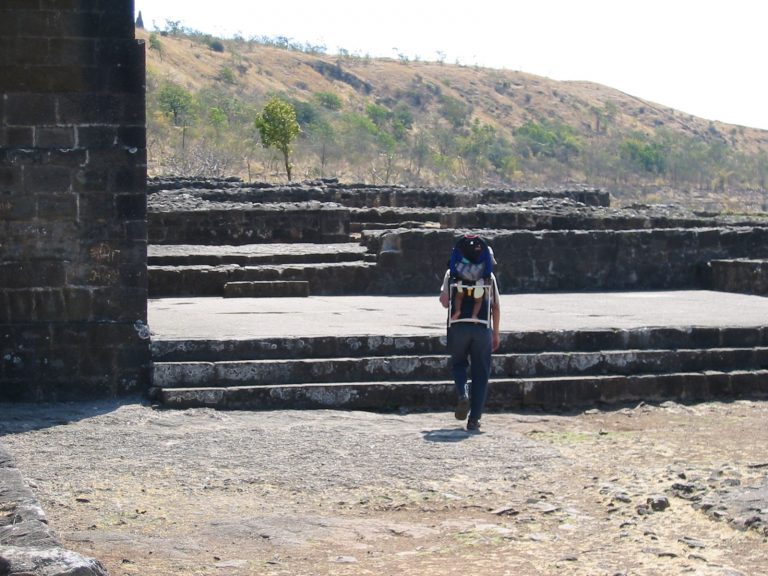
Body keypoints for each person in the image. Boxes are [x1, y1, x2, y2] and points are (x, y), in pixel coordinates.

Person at [439, 242, 501, 432]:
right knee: (481, 373)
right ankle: (474, 419)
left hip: (458, 328)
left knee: (458, 364)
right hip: (481, 328)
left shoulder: (452, 273)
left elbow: (443, 301)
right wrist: (496, 333)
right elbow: (496, 307)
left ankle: (462, 392)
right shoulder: (488, 277)